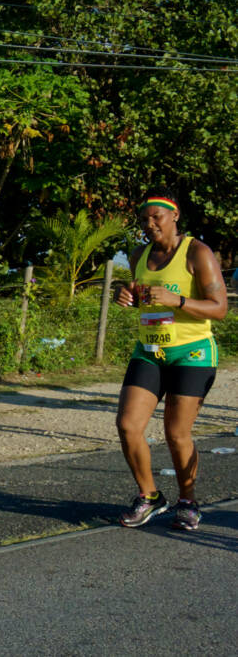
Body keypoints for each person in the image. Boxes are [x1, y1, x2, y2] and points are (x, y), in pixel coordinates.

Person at [113, 190, 228, 530]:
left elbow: (219, 308)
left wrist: (178, 300)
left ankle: (188, 501)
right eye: (144, 220)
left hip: (191, 352)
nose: (149, 225)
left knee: (176, 433)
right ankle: (149, 496)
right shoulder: (138, 255)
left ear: (174, 216)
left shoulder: (197, 252)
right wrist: (127, 296)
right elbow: (142, 296)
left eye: (156, 218)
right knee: (128, 425)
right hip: (149, 352)